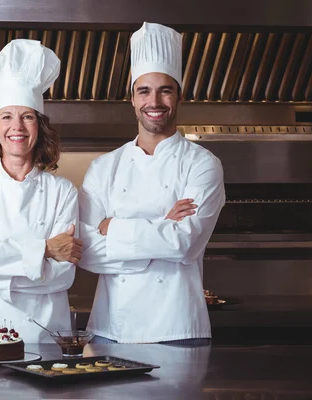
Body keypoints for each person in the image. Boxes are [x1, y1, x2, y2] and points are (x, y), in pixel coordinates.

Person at [78, 22, 225, 344]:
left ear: (179, 97)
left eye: (165, 90)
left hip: (177, 326)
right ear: (132, 99)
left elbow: (185, 242)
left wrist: (111, 226)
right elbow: (85, 250)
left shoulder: (202, 164)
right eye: (144, 90)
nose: (154, 101)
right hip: (110, 327)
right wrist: (161, 228)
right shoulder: (104, 167)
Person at [0, 39, 81, 343]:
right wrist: (45, 250)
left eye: (27, 116)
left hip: (44, 333)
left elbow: (65, 275)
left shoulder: (63, 191)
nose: (17, 127)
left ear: (40, 126)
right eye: (6, 117)